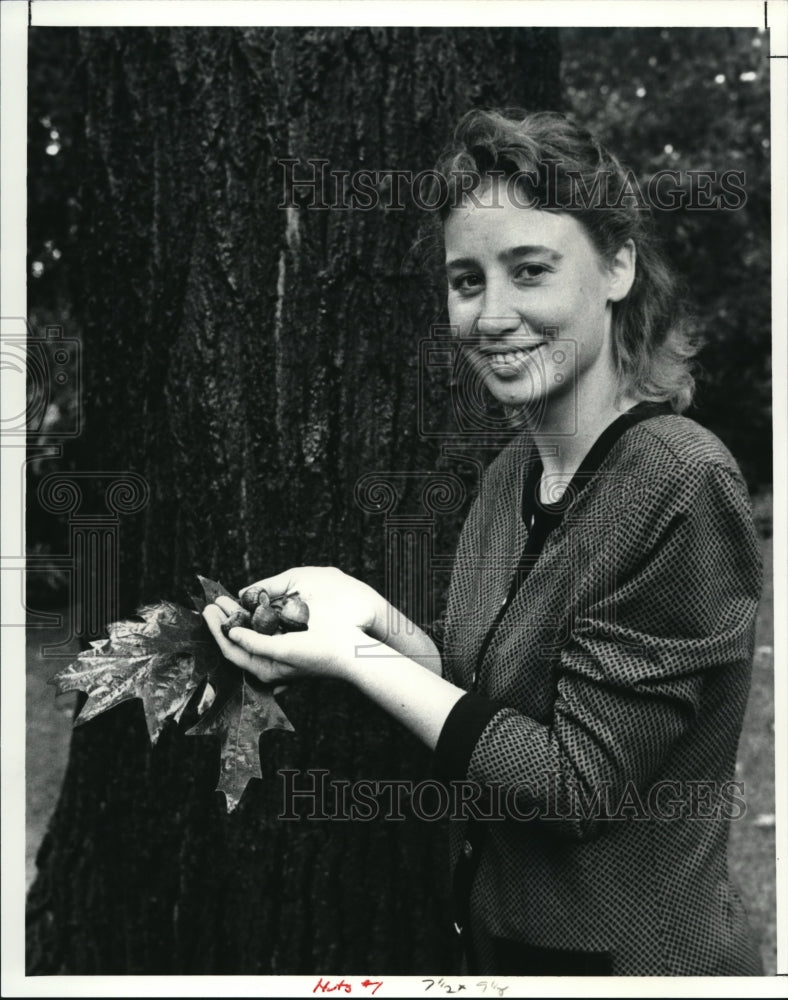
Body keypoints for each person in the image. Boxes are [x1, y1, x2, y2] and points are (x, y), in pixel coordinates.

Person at [203, 109, 763, 976]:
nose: (491, 315)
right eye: (467, 281)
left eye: (530, 270)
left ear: (617, 267)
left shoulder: (680, 484)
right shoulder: (509, 477)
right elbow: (484, 711)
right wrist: (375, 620)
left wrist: (357, 658)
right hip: (494, 943)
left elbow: (575, 782)